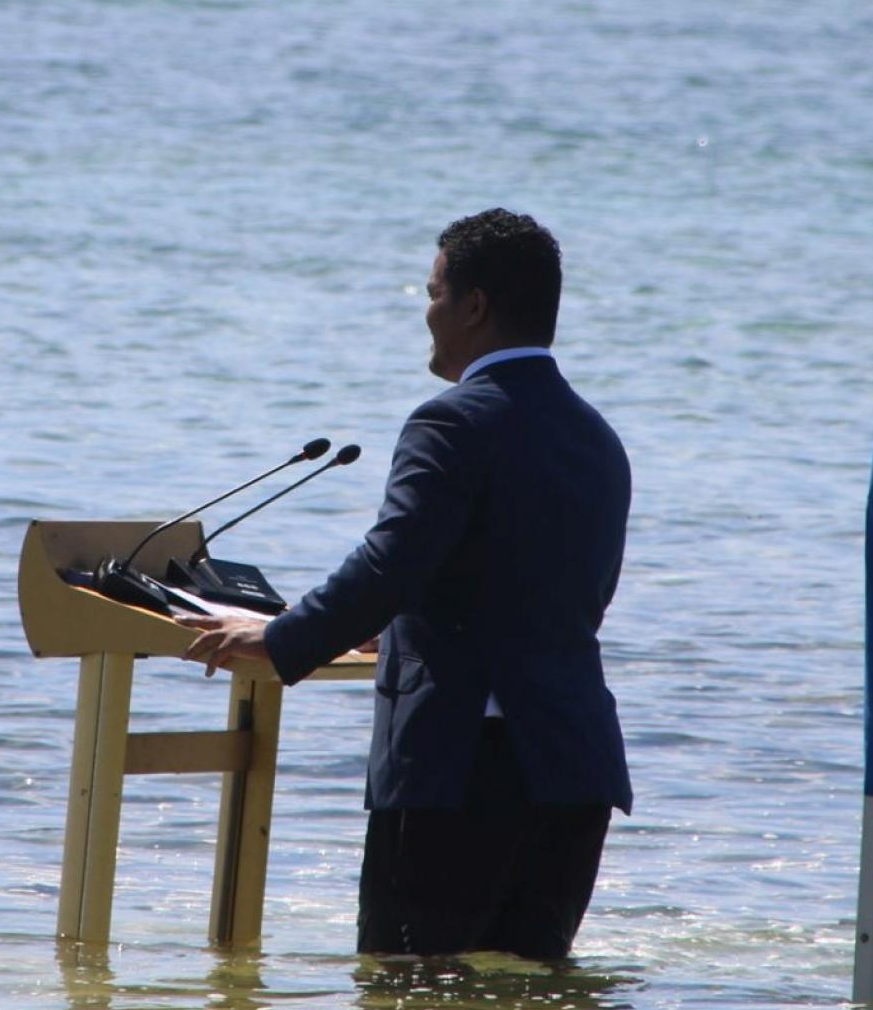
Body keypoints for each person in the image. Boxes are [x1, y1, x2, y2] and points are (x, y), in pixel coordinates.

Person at [179, 208, 633, 962]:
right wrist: (402, 628)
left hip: (462, 770)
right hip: (572, 771)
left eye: (433, 293)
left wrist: (282, 638)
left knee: (406, 1002)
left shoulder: (451, 423)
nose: (427, 313)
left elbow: (391, 562)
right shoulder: (596, 436)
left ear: (474, 306)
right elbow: (555, 593)